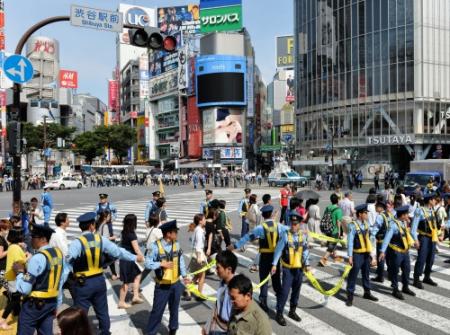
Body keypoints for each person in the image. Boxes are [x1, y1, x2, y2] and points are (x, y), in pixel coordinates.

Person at [67, 212, 143, 335]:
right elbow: (118, 252)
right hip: (98, 280)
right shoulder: (100, 239)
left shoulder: (77, 243)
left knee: (80, 313)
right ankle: (105, 332)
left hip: (83, 283)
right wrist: (135, 257)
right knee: (102, 311)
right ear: (92, 226)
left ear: (81, 227)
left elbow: (68, 262)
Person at [230, 205, 287, 313]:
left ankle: (263, 301)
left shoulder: (260, 228)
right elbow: (289, 231)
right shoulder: (279, 226)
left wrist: (235, 246)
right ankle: (280, 300)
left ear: (263, 216)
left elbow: (247, 238)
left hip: (264, 257)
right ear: (271, 214)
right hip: (275, 257)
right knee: (276, 280)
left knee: (264, 279)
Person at [15, 224, 69, 334]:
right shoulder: (58, 254)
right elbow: (61, 280)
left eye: (33, 237)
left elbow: (25, 289)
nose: (31, 240)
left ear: (43, 239)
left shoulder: (38, 258)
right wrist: (57, 303)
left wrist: (20, 273)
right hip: (51, 303)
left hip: (34, 305)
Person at [144, 220, 191, 335]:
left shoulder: (177, 244)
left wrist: (184, 276)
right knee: (157, 311)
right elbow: (147, 263)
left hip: (176, 284)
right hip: (162, 286)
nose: (177, 234)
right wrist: (160, 264)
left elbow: (181, 262)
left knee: (174, 310)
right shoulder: (155, 246)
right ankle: (151, 332)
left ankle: (173, 330)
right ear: (168, 234)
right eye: (175, 232)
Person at [271, 212, 309, 326]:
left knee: (296, 291)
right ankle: (279, 313)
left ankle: (292, 311)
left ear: (299, 224)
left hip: (299, 269)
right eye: (292, 223)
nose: (293, 226)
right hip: (288, 269)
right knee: (284, 292)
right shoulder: (285, 235)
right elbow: (278, 250)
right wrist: (274, 264)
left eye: (295, 224)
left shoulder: (303, 236)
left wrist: (307, 264)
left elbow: (305, 250)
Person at [379, 205, 416, 300]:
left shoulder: (404, 223)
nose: (408, 215)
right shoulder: (393, 225)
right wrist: (382, 251)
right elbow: (387, 238)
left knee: (407, 269)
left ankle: (405, 286)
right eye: (406, 214)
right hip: (396, 252)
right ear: (402, 215)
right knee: (395, 270)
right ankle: (395, 289)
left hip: (405, 251)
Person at [346, 204, 378, 307]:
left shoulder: (366, 224)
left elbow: (369, 240)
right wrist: (350, 256)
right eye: (365, 213)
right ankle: (350, 296)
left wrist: (372, 255)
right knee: (353, 275)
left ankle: (367, 292)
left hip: (366, 254)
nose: (367, 215)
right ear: (360, 214)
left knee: (366, 273)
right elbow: (350, 241)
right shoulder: (352, 225)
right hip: (357, 254)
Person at [203, 250, 237, 335]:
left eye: (218, 268)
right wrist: (207, 326)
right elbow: (217, 305)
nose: (216, 271)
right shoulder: (222, 282)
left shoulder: (237, 288)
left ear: (229, 269)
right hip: (217, 326)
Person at [411, 193, 439, 289]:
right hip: (423, 237)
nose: (436, 201)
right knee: (421, 258)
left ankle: (427, 276)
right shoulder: (420, 211)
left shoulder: (432, 210)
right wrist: (415, 240)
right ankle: (416, 279)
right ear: (430, 200)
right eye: (434, 199)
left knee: (431, 258)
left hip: (432, 238)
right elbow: (413, 228)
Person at [0, 228, 25, 330]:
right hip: (14, 277)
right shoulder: (16, 248)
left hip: (10, 276)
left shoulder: (11, 246)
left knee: (16, 298)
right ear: (18, 237)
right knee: (14, 300)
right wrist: (28, 257)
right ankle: (2, 321)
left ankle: (16, 313)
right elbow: (20, 262)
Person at [118, 214, 144, 308]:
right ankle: (121, 302)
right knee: (126, 281)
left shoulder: (124, 231)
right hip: (128, 259)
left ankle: (135, 296)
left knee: (138, 275)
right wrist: (141, 257)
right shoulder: (132, 234)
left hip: (124, 257)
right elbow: (136, 249)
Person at [319, 194, 344, 266]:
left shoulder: (328, 207)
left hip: (327, 229)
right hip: (334, 230)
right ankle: (324, 259)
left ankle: (336, 257)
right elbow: (338, 222)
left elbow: (325, 217)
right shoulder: (338, 210)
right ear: (337, 200)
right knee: (332, 245)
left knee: (332, 243)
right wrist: (340, 232)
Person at [372, 202, 393, 283]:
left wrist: (372, 237)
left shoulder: (380, 216)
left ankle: (380, 277)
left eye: (376, 206)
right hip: (389, 241)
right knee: (389, 259)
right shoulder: (390, 215)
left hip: (381, 240)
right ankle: (391, 275)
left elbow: (376, 229)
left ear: (380, 208)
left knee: (380, 259)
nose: (375, 208)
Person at [188, 214, 207, 301]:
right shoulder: (199, 231)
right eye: (204, 219)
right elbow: (198, 245)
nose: (205, 220)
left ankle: (187, 290)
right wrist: (199, 257)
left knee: (196, 275)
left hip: (195, 254)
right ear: (200, 221)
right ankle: (199, 295)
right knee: (202, 276)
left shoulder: (197, 229)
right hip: (199, 255)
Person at [96, 210, 119, 281]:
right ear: (105, 217)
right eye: (109, 216)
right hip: (105, 247)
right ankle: (112, 274)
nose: (110, 217)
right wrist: (114, 237)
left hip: (100, 246)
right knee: (111, 259)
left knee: (111, 260)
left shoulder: (99, 224)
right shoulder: (105, 226)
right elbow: (106, 238)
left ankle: (114, 274)